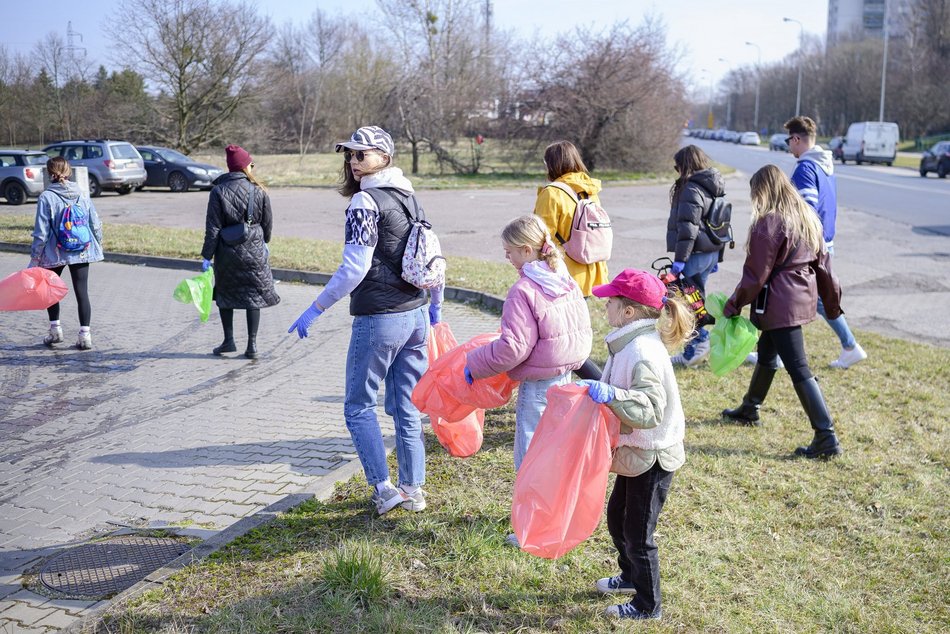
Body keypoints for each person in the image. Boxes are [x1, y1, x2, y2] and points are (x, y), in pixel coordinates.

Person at [288, 126, 442, 516]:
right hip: (416, 315)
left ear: (384, 156)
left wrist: (317, 307)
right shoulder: (410, 197)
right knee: (406, 407)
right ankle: (414, 489)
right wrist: (435, 305)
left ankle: (384, 489)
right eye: (350, 156)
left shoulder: (364, 203)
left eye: (362, 154)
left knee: (358, 407)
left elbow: (354, 267)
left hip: (379, 319)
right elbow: (433, 257)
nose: (354, 162)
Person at [575, 268, 694, 621]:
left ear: (628, 311)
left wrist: (612, 395)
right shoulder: (628, 342)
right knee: (618, 518)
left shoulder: (642, 351)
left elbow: (651, 409)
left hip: (653, 454)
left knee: (639, 534)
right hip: (636, 451)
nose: (605, 307)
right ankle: (629, 576)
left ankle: (648, 606)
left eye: (610, 301)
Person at [464, 215, 592, 543]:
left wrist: (474, 364)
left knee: (532, 456)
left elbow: (513, 349)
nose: (506, 258)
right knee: (558, 451)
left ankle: (533, 528)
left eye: (508, 252)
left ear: (525, 250)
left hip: (539, 388)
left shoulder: (524, 289)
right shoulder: (562, 278)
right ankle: (559, 514)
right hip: (567, 379)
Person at [721, 165, 844, 459]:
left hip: (779, 301)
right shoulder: (806, 218)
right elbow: (824, 266)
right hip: (797, 297)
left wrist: (734, 304)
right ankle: (750, 408)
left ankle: (826, 437)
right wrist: (831, 301)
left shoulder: (770, 223)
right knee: (767, 353)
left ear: (763, 191)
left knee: (799, 368)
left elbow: (756, 274)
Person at [784, 116, 866, 369]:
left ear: (797, 139)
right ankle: (850, 346)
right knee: (804, 297)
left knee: (786, 293)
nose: (789, 146)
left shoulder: (805, 169)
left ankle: (850, 346)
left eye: (789, 140)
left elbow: (807, 208)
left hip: (810, 244)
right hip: (825, 242)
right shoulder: (826, 166)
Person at [533, 140, 607, 380]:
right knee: (569, 340)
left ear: (552, 164)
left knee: (566, 344)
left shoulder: (552, 193)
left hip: (562, 277)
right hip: (590, 274)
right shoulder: (589, 191)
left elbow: (538, 237)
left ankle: (607, 390)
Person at [201, 145, 279, 359]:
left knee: (226, 296)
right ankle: (252, 346)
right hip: (254, 250)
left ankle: (229, 341)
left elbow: (213, 228)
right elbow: (267, 223)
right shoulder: (258, 189)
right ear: (245, 166)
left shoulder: (218, 191)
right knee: (253, 297)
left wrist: (207, 255)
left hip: (226, 253)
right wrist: (264, 242)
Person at [29, 156, 103, 350]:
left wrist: (35, 259)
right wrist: (98, 244)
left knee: (51, 291)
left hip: (54, 253)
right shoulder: (82, 193)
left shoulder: (46, 197)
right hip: (81, 250)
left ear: (49, 173)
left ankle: (55, 331)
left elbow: (41, 233)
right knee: (82, 292)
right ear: (68, 172)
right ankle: (85, 336)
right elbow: (94, 222)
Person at [665, 144, 726, 368]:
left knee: (685, 302)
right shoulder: (713, 185)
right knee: (695, 299)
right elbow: (721, 223)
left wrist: (680, 260)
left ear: (685, 165)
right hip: (709, 254)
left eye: (677, 166)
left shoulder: (692, 188)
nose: (676, 170)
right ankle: (690, 351)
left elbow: (687, 228)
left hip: (693, 255)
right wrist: (717, 257)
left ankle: (700, 341)